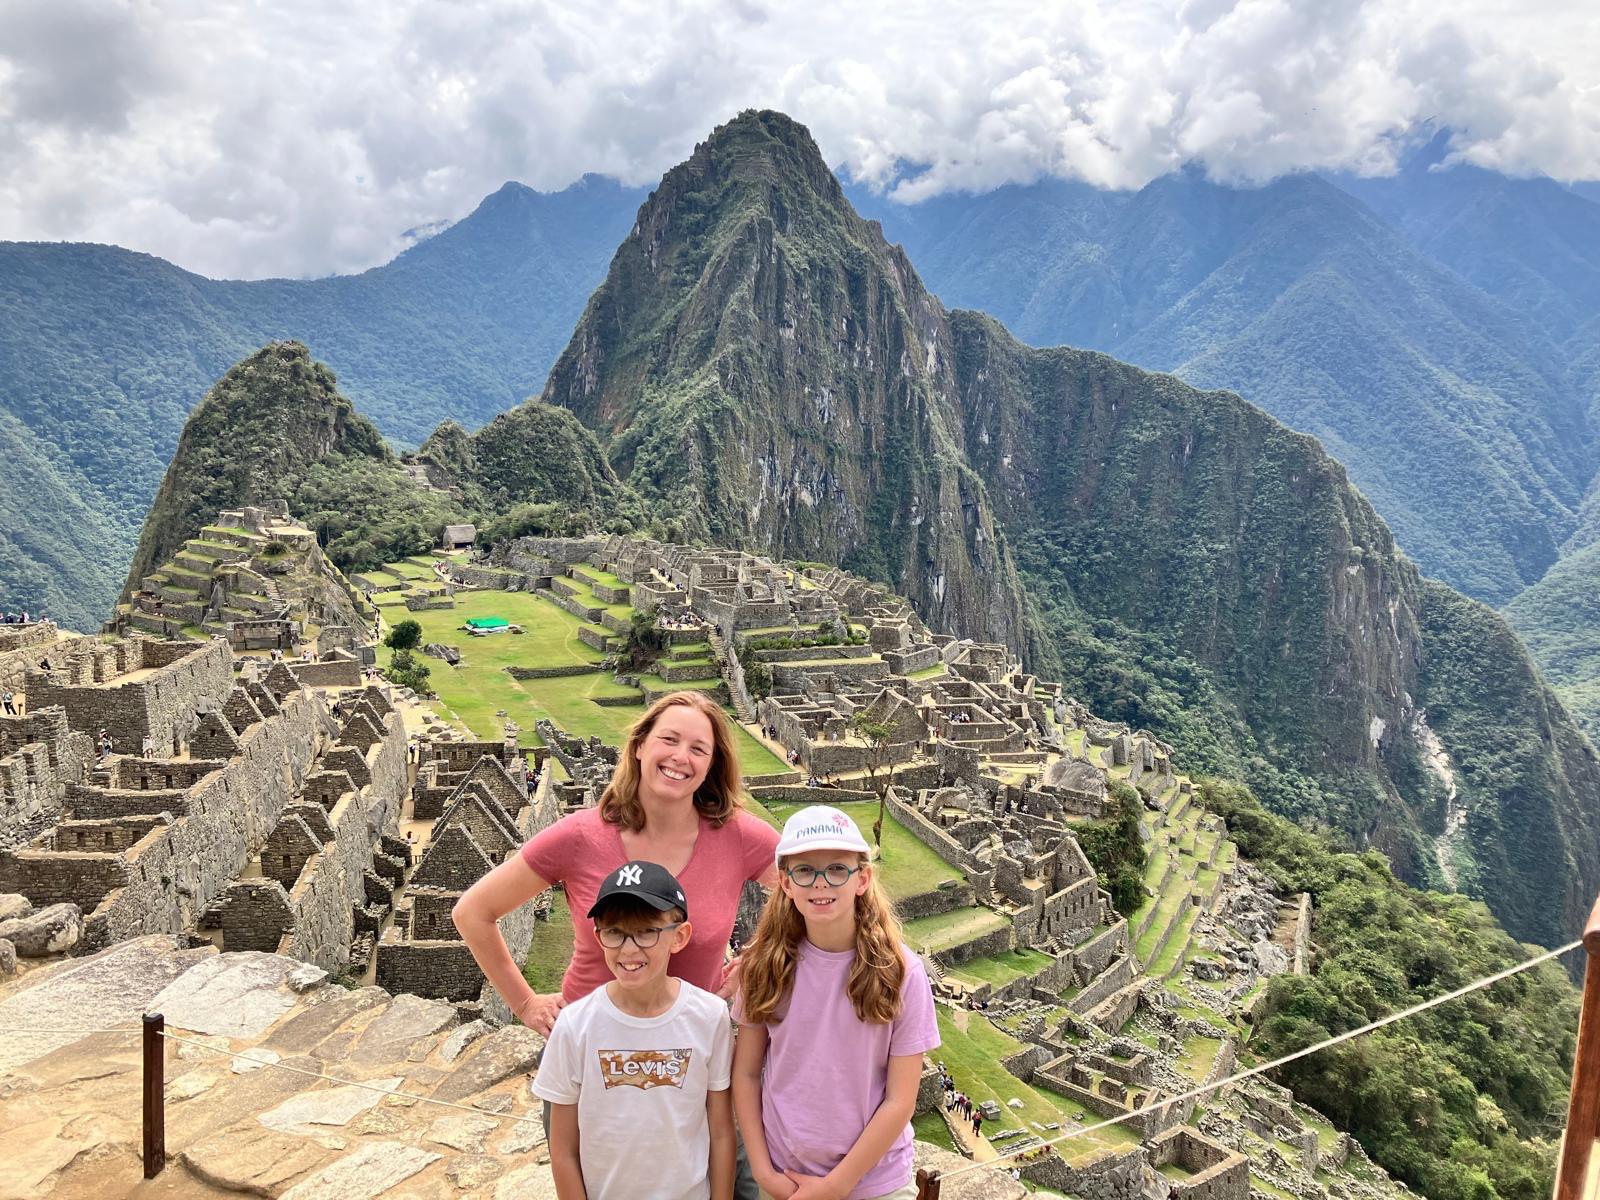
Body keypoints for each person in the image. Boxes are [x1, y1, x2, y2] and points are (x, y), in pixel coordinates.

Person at [733, 806, 939, 1200]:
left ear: (862, 879)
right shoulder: (763, 965)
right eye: (805, 870)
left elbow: (900, 1099)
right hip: (784, 1176)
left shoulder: (901, 972)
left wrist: (835, 1187)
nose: (821, 884)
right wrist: (763, 1170)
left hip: (873, 1182)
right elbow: (746, 1073)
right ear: (786, 882)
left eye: (837, 870)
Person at [533, 860, 734, 1200]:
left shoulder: (709, 1017)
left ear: (679, 936)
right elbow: (563, 1148)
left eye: (646, 931)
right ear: (599, 937)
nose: (629, 949)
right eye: (615, 932)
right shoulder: (576, 1025)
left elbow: (721, 1131)